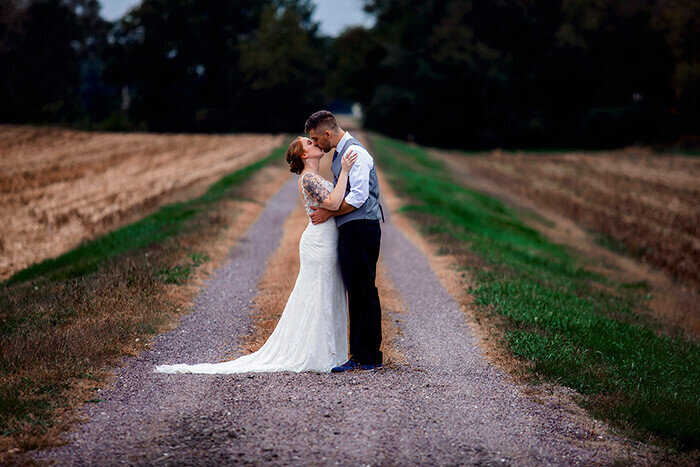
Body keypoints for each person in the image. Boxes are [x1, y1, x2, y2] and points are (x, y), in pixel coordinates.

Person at [153, 137, 357, 374]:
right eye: (309, 144)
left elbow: (331, 205)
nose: (315, 144)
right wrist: (344, 171)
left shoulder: (316, 178)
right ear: (303, 155)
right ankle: (319, 353)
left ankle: (329, 351)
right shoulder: (309, 178)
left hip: (326, 239)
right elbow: (333, 203)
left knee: (328, 291)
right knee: (318, 293)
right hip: (319, 244)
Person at [305, 110, 384, 372]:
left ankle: (367, 357)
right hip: (353, 228)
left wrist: (328, 212)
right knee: (358, 289)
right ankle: (363, 354)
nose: (316, 145)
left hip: (361, 227)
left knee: (362, 289)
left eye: (316, 140)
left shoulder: (355, 153)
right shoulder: (341, 153)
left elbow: (358, 198)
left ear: (327, 134)